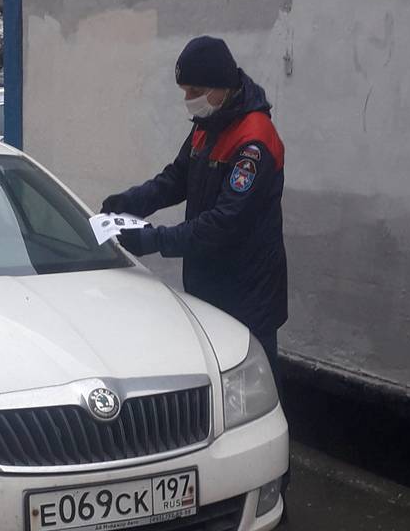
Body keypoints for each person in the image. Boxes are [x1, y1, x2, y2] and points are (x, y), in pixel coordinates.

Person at [102, 35, 287, 373]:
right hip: (208, 285)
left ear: (222, 86)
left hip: (247, 294)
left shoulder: (254, 140)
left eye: (195, 91)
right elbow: (175, 179)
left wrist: (152, 239)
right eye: (185, 90)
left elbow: (224, 223)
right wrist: (129, 203)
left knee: (251, 387)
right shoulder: (208, 126)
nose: (188, 100)